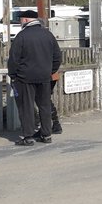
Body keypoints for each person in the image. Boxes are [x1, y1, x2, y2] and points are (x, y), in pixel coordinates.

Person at [8, 9, 62, 146]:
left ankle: (28, 136)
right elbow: (57, 57)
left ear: (25, 20)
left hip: (25, 77)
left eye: (21, 20)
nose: (20, 22)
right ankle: (46, 134)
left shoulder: (22, 36)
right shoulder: (48, 35)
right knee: (44, 105)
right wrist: (50, 71)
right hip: (44, 77)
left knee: (27, 107)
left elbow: (14, 59)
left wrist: (13, 75)